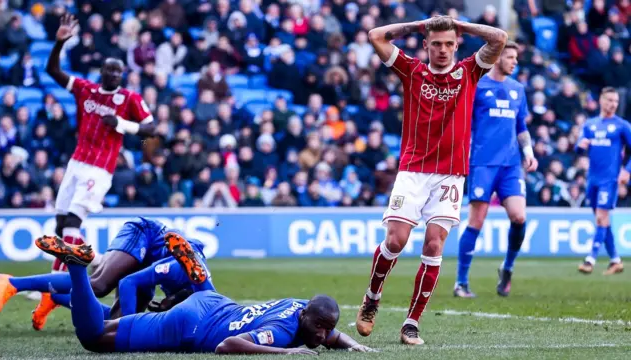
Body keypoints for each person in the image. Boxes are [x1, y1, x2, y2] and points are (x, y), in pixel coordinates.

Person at [355, 15, 507, 345]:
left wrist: (463, 26)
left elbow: (499, 37)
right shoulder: (413, 71)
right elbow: (376, 35)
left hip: (450, 174)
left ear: (457, 44)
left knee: (435, 243)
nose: (442, 49)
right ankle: (371, 299)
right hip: (413, 171)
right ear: (426, 45)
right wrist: (419, 24)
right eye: (436, 43)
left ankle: (412, 322)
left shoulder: (469, 71)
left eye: (449, 43)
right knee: (395, 241)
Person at [33, 233, 376, 355]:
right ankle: (76, 266)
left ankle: (199, 272)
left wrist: (353, 344)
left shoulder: (303, 310)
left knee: (114, 321)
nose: (322, 334)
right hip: (193, 324)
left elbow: (328, 334)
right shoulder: (285, 331)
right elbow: (228, 346)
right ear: (305, 318)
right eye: (319, 327)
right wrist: (286, 354)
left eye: (324, 329)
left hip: (213, 301)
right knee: (95, 337)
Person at [44, 12, 155, 283]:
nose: (114, 74)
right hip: (76, 163)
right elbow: (53, 71)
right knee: (60, 226)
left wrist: (120, 123)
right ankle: (74, 273)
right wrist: (59, 44)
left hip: (100, 169)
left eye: (119, 71)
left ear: (123, 74)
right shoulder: (86, 90)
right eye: (110, 69)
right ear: (102, 71)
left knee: (72, 224)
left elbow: (150, 128)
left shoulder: (128, 98)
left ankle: (81, 270)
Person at [0, 218, 210, 330]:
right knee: (99, 286)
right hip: (144, 233)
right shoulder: (181, 269)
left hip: (151, 262)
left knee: (112, 322)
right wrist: (129, 325)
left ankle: (55, 296)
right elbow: (127, 282)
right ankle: (11, 283)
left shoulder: (197, 290)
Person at [454, 41, 538, 298]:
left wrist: (529, 152)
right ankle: (461, 282)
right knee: (476, 221)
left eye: (516, 58)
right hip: (483, 163)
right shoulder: (478, 86)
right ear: (497, 58)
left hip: (511, 165)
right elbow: (464, 123)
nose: (514, 62)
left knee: (519, 217)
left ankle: (507, 267)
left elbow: (520, 125)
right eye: (510, 57)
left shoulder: (517, 89)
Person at [575, 87, 631, 275]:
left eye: (615, 101)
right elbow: (578, 148)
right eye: (609, 100)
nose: (613, 104)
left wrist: (627, 170)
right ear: (601, 100)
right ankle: (615, 260)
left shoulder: (622, 125)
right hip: (593, 179)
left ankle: (590, 259)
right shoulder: (590, 125)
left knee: (601, 217)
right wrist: (580, 146)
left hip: (610, 179)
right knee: (602, 220)